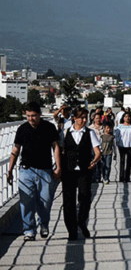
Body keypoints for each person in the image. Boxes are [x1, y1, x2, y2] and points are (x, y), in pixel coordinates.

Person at [7, 102, 62, 242]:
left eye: (33, 116)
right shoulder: (22, 129)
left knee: (46, 201)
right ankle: (29, 230)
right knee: (26, 201)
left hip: (45, 170)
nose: (31, 119)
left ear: (40, 114)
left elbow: (55, 147)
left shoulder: (49, 128)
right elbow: (15, 150)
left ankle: (43, 224)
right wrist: (10, 170)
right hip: (26, 170)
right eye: (28, 116)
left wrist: (58, 167)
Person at [61, 107, 101, 241]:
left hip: (84, 170)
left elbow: (97, 152)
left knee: (85, 198)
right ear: (74, 118)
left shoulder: (90, 133)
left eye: (85, 118)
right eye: (81, 118)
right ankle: (71, 230)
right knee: (68, 201)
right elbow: (60, 150)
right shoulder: (65, 132)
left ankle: (82, 221)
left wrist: (94, 161)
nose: (84, 120)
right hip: (68, 171)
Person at [115, 112, 131, 182]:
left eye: (129, 116)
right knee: (122, 161)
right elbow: (116, 136)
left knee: (129, 161)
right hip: (122, 146)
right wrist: (116, 143)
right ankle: (121, 177)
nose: (127, 118)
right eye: (126, 116)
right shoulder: (119, 126)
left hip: (130, 145)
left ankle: (127, 177)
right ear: (123, 118)